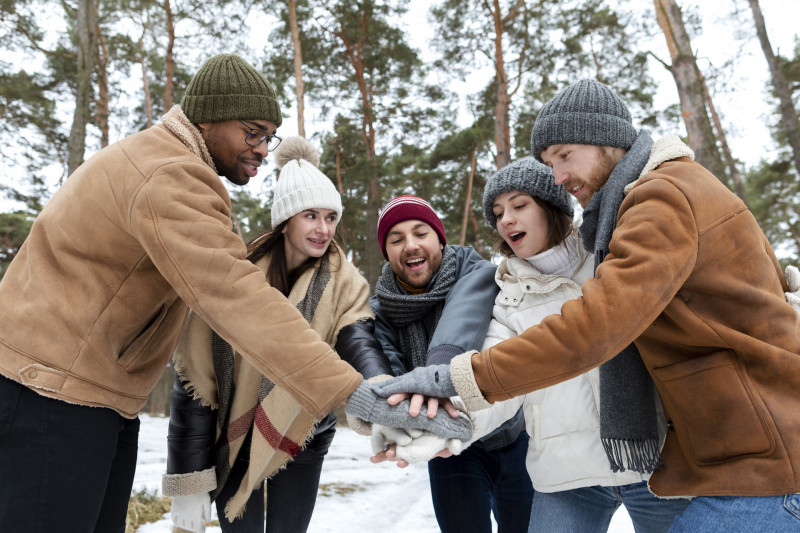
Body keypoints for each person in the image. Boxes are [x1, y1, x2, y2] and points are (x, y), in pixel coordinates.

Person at [0, 53, 463, 533]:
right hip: (51, 391)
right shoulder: (170, 175)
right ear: (208, 118)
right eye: (252, 132)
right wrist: (354, 395)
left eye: (269, 137)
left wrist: (371, 387)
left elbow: (354, 333)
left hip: (85, 393)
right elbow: (235, 301)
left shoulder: (164, 163)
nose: (263, 149)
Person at [374, 78, 800, 531]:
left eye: (563, 156)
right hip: (618, 467)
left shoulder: (652, 205)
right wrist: (441, 423)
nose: (557, 175)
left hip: (750, 455)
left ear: (605, 140)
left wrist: (459, 376)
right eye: (497, 212)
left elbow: (596, 325)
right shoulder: (523, 284)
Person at [162, 137, 393, 533]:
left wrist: (380, 392)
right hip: (234, 433)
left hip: (303, 433)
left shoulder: (345, 283)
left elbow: (359, 340)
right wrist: (188, 479)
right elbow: (196, 381)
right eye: (310, 215)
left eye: (330, 217)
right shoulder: (238, 277)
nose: (323, 229)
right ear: (286, 220)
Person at [451, 157, 688, 532]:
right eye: (497, 213)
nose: (506, 220)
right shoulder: (508, 298)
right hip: (567, 476)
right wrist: (453, 422)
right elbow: (499, 377)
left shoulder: (611, 257)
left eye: (519, 205)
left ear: (553, 206)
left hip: (656, 461)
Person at [365, 195, 534, 533]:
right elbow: (394, 378)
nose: (410, 245)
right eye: (396, 240)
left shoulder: (480, 276)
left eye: (420, 233)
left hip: (516, 437)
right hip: (449, 449)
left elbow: (466, 322)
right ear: (387, 253)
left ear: (440, 240)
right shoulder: (381, 311)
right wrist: (399, 425)